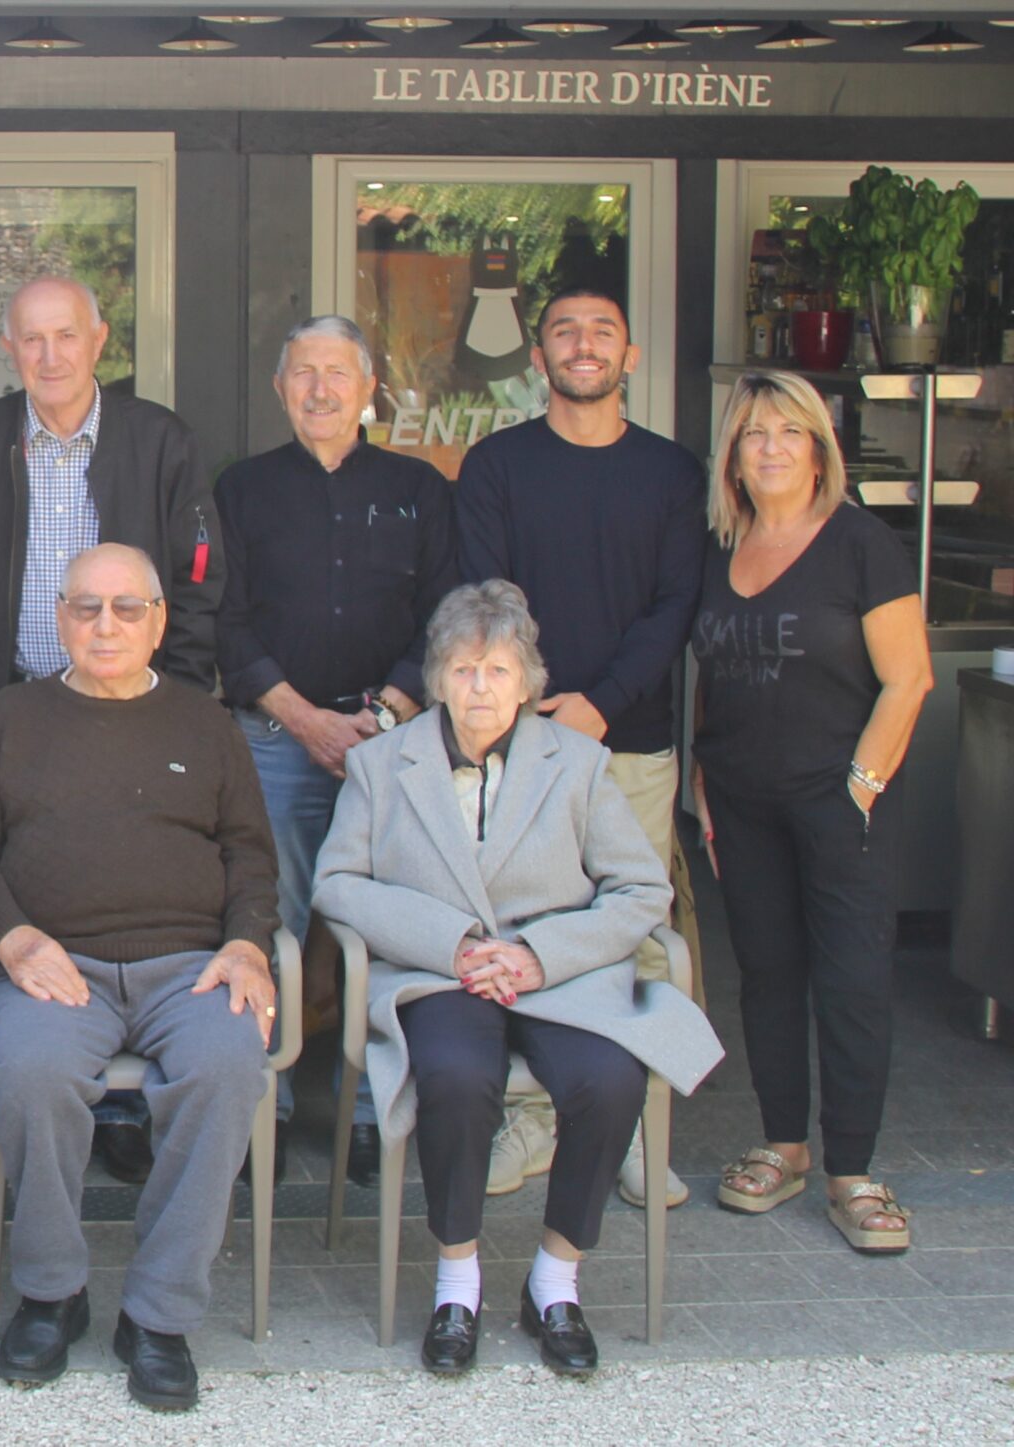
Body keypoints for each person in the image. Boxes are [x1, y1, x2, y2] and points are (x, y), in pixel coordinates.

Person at [314, 580, 721, 1377]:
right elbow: (337, 882)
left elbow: (641, 888)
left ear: (528, 680)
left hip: (558, 972)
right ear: (436, 678)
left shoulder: (579, 761)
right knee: (458, 1077)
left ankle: (554, 1280)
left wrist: (541, 953)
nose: (479, 688)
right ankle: (456, 1281)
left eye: (498, 671)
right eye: (463, 669)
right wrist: (453, 941)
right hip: (443, 973)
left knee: (608, 1080)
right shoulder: (379, 765)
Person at [0, 542, 277, 1413]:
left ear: (160, 621)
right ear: (59, 618)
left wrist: (247, 944)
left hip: (188, 968)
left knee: (229, 1065)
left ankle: (160, 1315)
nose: (106, 624)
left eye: (128, 608)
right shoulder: (12, 717)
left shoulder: (206, 723)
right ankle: (52, 1292)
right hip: (57, 963)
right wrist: (12, 939)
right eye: (86, 607)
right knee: (35, 1073)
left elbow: (251, 856)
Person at [0, 277, 225, 1184]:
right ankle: (19, 1092)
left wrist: (161, 701)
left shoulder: (158, 439)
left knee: (129, 893)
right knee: (13, 882)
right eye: (32, 340)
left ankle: (130, 1110)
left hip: (128, 706)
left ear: (100, 340)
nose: (50, 355)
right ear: (10, 350)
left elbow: (200, 579)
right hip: (4, 706)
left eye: (68, 336)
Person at [455, 285, 707, 1208]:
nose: (583, 345)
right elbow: (488, 594)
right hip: (517, 744)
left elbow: (675, 606)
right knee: (525, 929)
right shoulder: (497, 465)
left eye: (602, 331)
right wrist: (526, 709)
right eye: (564, 331)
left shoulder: (674, 474)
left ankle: (634, 1129)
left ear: (629, 355)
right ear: (540, 357)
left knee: (636, 936)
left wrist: (601, 703)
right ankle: (532, 1119)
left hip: (630, 744)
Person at [691, 372, 931, 1254]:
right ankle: (785, 1144)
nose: (771, 447)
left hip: (841, 800)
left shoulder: (861, 543)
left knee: (853, 982)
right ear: (733, 456)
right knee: (769, 975)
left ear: (820, 447)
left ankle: (853, 1172)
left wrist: (859, 788)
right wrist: (709, 796)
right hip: (744, 804)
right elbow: (712, 681)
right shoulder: (721, 548)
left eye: (790, 431)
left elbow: (910, 680)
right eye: (753, 433)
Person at [217, 314, 455, 1188]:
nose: (320, 389)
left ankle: (367, 1111)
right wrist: (307, 719)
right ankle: (264, 1109)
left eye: (338, 374)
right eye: (303, 373)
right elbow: (225, 621)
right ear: (281, 389)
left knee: (383, 927)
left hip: (392, 747)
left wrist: (384, 714)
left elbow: (446, 613)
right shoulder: (240, 489)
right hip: (276, 742)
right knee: (265, 924)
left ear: (368, 391)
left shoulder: (419, 489)